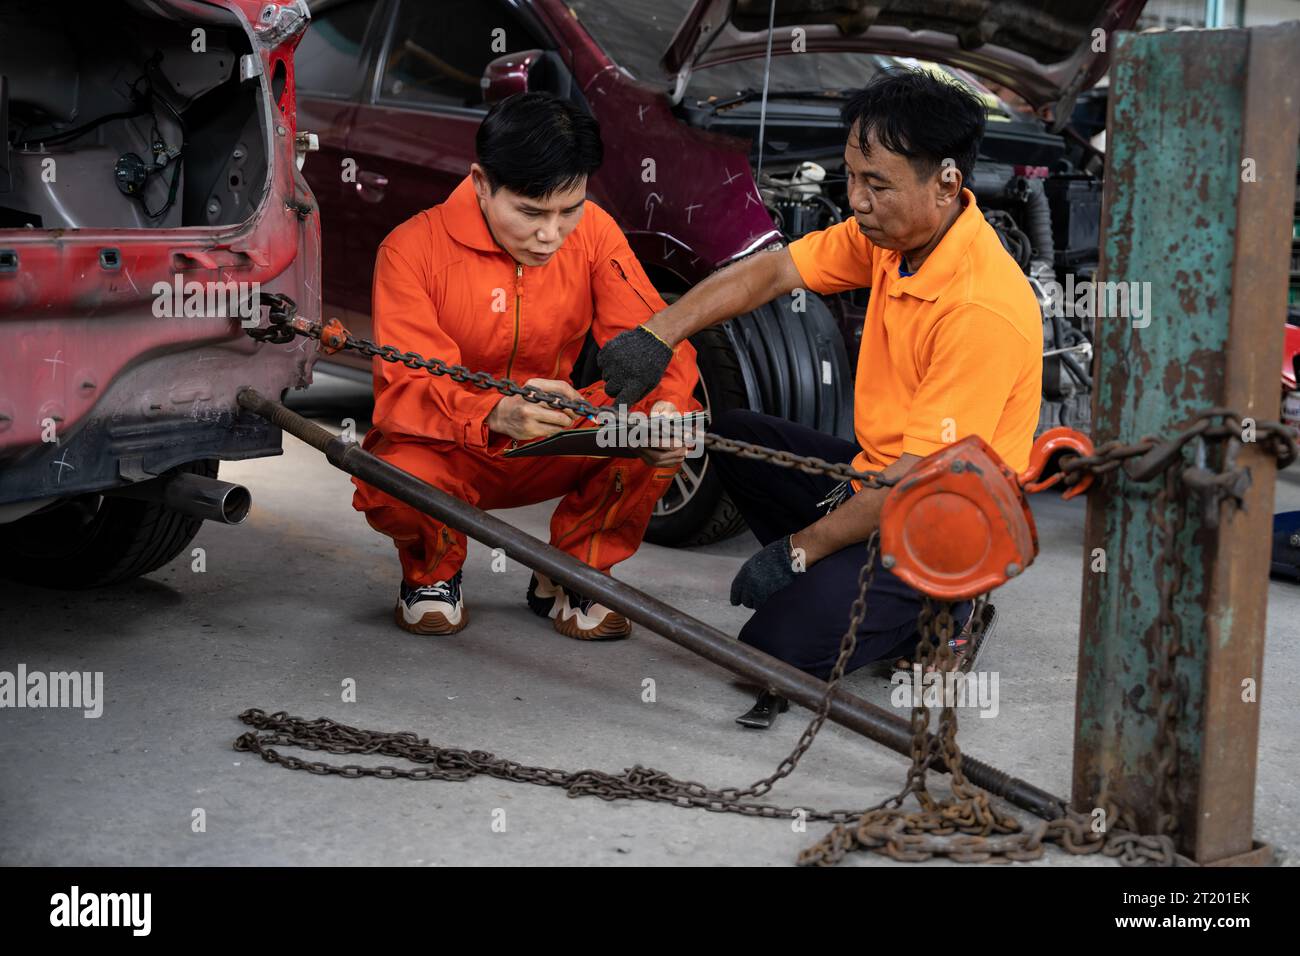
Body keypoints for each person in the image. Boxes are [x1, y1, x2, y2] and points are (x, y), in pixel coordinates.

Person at [596, 68, 1042, 717]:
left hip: (944, 527)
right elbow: (775, 269)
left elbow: (912, 482)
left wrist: (798, 553)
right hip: (877, 482)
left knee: (768, 655)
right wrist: (658, 333)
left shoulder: (978, 309)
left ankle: (947, 610)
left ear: (947, 182)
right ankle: (843, 576)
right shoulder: (894, 240)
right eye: (852, 178)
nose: (857, 200)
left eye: (877, 184)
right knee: (733, 435)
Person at [352, 92, 699, 641]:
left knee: (664, 421)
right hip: (455, 448)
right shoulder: (410, 250)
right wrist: (495, 411)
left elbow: (656, 340)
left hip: (553, 439)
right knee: (393, 475)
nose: (551, 235)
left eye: (570, 210)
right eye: (531, 212)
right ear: (481, 182)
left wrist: (666, 410)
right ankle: (433, 574)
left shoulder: (596, 232)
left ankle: (576, 573)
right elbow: (406, 388)